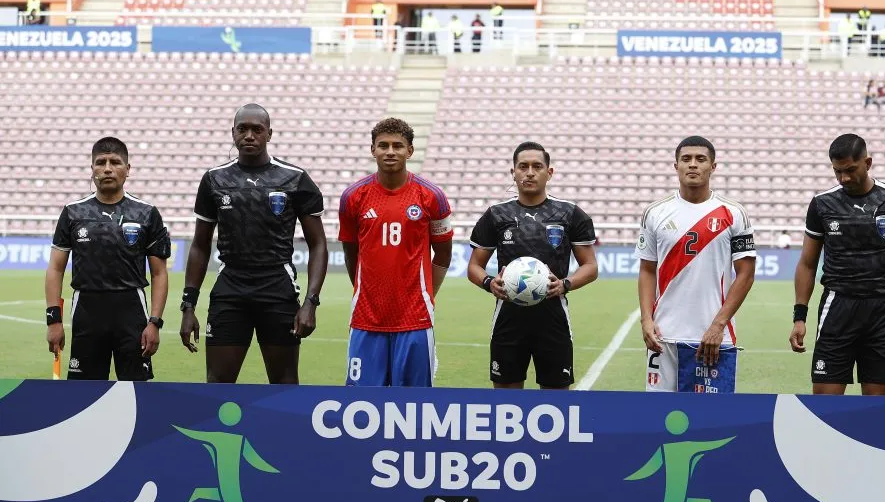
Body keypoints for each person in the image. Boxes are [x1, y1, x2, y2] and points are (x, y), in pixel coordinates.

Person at [180, 104, 328, 384]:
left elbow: (318, 244)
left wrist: (311, 302)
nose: (249, 135)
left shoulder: (295, 178)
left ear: (269, 134)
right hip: (230, 289)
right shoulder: (214, 179)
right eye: (243, 129)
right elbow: (199, 245)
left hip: (278, 289)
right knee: (218, 384)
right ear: (233, 132)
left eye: (257, 129)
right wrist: (188, 305)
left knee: (284, 384)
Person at [789, 133, 885, 396]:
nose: (844, 178)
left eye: (850, 170)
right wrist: (799, 317)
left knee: (876, 409)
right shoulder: (822, 204)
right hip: (837, 308)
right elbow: (807, 263)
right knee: (825, 406)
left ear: (868, 163)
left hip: (881, 310)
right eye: (837, 171)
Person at [467, 141, 598, 390]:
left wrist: (565, 284)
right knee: (506, 400)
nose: (529, 172)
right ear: (513, 172)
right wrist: (489, 283)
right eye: (523, 166)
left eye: (537, 166)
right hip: (508, 318)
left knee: (556, 399)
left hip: (553, 318)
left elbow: (590, 266)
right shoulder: (496, 214)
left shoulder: (570, 214)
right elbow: (474, 266)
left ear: (549, 172)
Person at [339, 117, 453, 387]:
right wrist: (367, 292)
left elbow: (443, 255)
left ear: (409, 151)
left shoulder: (432, 196)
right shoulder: (353, 197)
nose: (390, 151)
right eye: (383, 145)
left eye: (398, 146)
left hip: (415, 319)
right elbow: (351, 253)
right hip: (366, 318)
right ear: (373, 150)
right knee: (361, 402)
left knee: (415, 403)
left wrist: (426, 295)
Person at [637, 136, 756, 393]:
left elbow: (746, 274)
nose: (693, 164)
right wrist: (646, 319)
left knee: (712, 416)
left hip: (714, 338)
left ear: (713, 166)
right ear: (676, 166)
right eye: (686, 159)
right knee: (659, 414)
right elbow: (647, 270)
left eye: (700, 159)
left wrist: (718, 325)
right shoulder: (654, 212)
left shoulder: (734, 213)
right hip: (663, 337)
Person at [45, 137, 170, 380]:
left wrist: (154, 322)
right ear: (92, 169)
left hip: (132, 311)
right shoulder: (72, 212)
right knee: (84, 393)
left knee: (136, 391)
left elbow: (158, 273)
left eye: (115, 162)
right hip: (87, 311)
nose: (108, 168)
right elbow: (55, 269)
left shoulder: (146, 213)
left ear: (128, 169)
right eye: (100, 162)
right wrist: (53, 320)